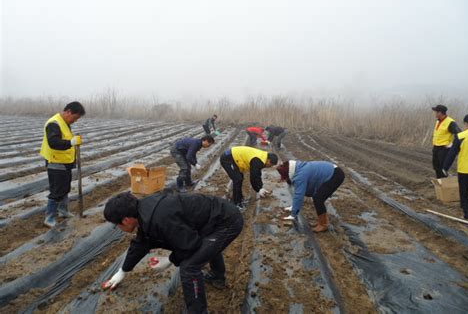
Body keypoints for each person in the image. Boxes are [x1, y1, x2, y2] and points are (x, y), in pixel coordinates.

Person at [102, 191, 243, 314]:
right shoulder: (145, 211)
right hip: (213, 219)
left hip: (227, 221)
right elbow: (141, 243)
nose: (118, 228)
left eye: (117, 225)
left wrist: (169, 260)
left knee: (189, 267)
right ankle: (218, 276)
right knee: (206, 247)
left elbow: (190, 246)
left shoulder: (160, 219)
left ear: (126, 220)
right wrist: (123, 270)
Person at [40, 101, 86, 228]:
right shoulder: (54, 123)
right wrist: (71, 142)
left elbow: (64, 138)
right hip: (56, 162)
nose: (75, 121)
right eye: (75, 117)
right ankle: (49, 218)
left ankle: (63, 211)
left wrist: (73, 141)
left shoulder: (64, 123)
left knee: (65, 188)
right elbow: (53, 142)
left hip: (65, 162)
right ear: (68, 112)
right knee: (57, 191)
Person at [277, 160, 345, 233]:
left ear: (288, 172)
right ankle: (323, 221)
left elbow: (299, 195)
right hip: (331, 171)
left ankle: (323, 225)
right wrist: (294, 207)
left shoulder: (301, 175)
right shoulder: (298, 167)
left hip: (335, 175)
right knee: (315, 195)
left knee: (318, 199)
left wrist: (293, 215)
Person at [443, 113, 468, 221]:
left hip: (465, 171)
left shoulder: (461, 136)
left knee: (464, 194)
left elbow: (452, 154)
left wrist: (445, 168)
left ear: (466, 124)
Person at [432, 105, 461, 178]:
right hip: (436, 147)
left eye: (436, 112)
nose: (435, 113)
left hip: (444, 149)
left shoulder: (450, 122)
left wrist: (452, 144)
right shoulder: (438, 121)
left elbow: (459, 134)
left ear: (440, 113)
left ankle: (444, 184)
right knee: (436, 167)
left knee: (442, 168)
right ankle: (439, 183)